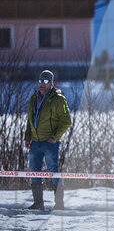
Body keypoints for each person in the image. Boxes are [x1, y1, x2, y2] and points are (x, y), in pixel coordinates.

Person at [23, 69, 72, 211]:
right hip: (35, 142)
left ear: (51, 82)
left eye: (45, 81)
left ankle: (59, 204)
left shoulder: (58, 98)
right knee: (34, 171)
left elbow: (66, 121)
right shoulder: (34, 98)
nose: (42, 84)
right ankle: (38, 203)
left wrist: (55, 137)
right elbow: (29, 120)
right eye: (40, 81)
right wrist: (27, 137)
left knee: (53, 171)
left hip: (50, 143)